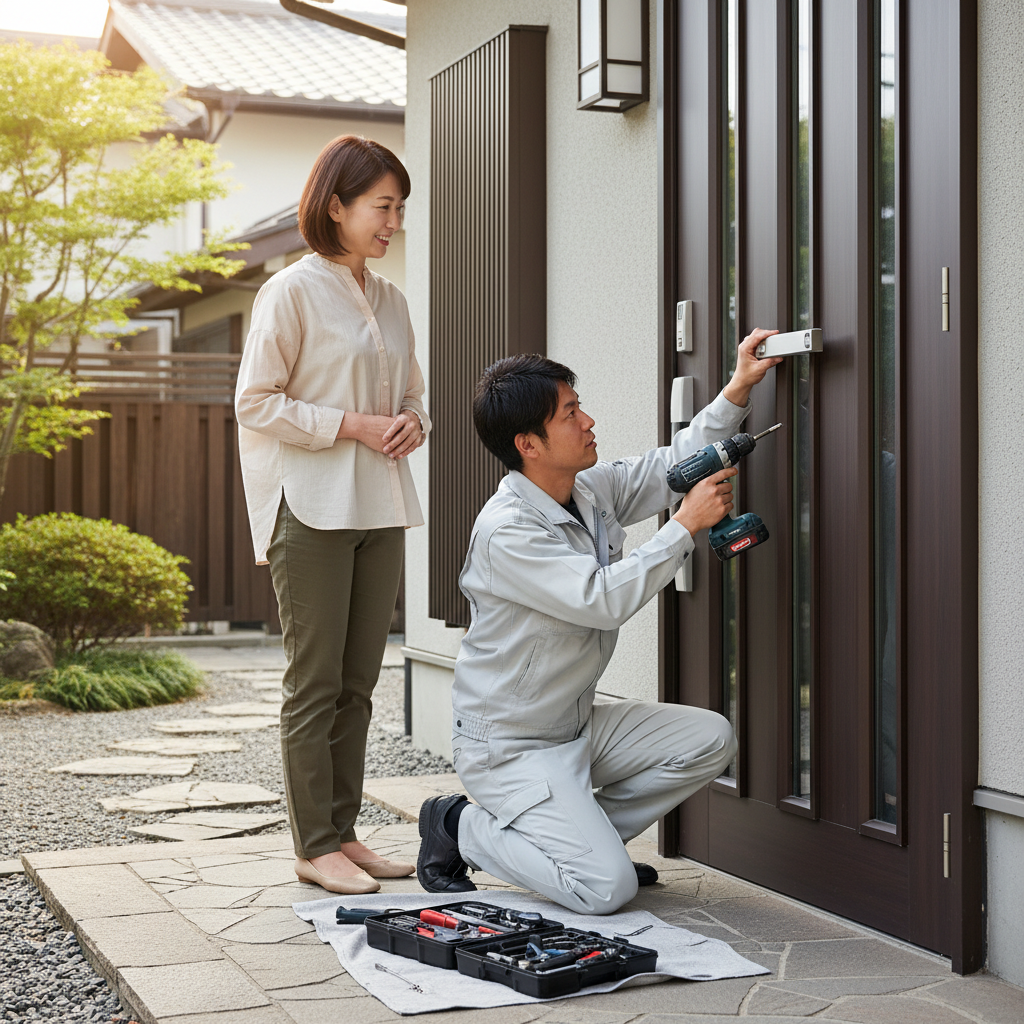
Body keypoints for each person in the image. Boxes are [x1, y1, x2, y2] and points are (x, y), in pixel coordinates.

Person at [416, 330, 781, 914]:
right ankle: (458, 826)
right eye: (569, 414)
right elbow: (600, 599)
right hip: (510, 747)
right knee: (606, 889)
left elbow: (675, 466)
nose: (587, 421)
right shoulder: (509, 531)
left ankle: (588, 845)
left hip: (574, 727)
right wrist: (684, 526)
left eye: (578, 406)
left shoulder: (588, 489)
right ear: (528, 444)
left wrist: (738, 387)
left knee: (709, 739)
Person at [235, 136, 429, 895]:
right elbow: (255, 402)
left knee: (358, 683)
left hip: (380, 503)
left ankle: (344, 835)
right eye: (383, 206)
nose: (394, 222)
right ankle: (313, 845)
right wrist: (351, 424)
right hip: (310, 506)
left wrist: (415, 423)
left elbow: (412, 397)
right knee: (314, 683)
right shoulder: (288, 291)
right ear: (337, 206)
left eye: (399, 208)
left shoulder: (393, 300)